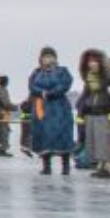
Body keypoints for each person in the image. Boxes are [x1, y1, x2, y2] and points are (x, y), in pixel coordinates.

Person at [28, 47, 76, 176]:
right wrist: (41, 93)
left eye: (51, 56)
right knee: (44, 135)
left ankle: (65, 165)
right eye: (45, 57)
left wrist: (51, 93)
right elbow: (32, 86)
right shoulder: (36, 72)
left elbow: (65, 84)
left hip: (59, 107)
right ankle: (46, 166)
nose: (48, 59)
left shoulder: (62, 71)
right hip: (42, 107)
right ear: (41, 59)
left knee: (62, 134)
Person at [74, 48, 110, 175]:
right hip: (91, 112)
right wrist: (81, 113)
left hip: (104, 112)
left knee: (103, 140)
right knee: (93, 140)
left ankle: (106, 166)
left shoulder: (108, 78)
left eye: (94, 61)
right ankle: (100, 165)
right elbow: (85, 96)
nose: (91, 64)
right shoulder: (89, 79)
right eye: (89, 61)